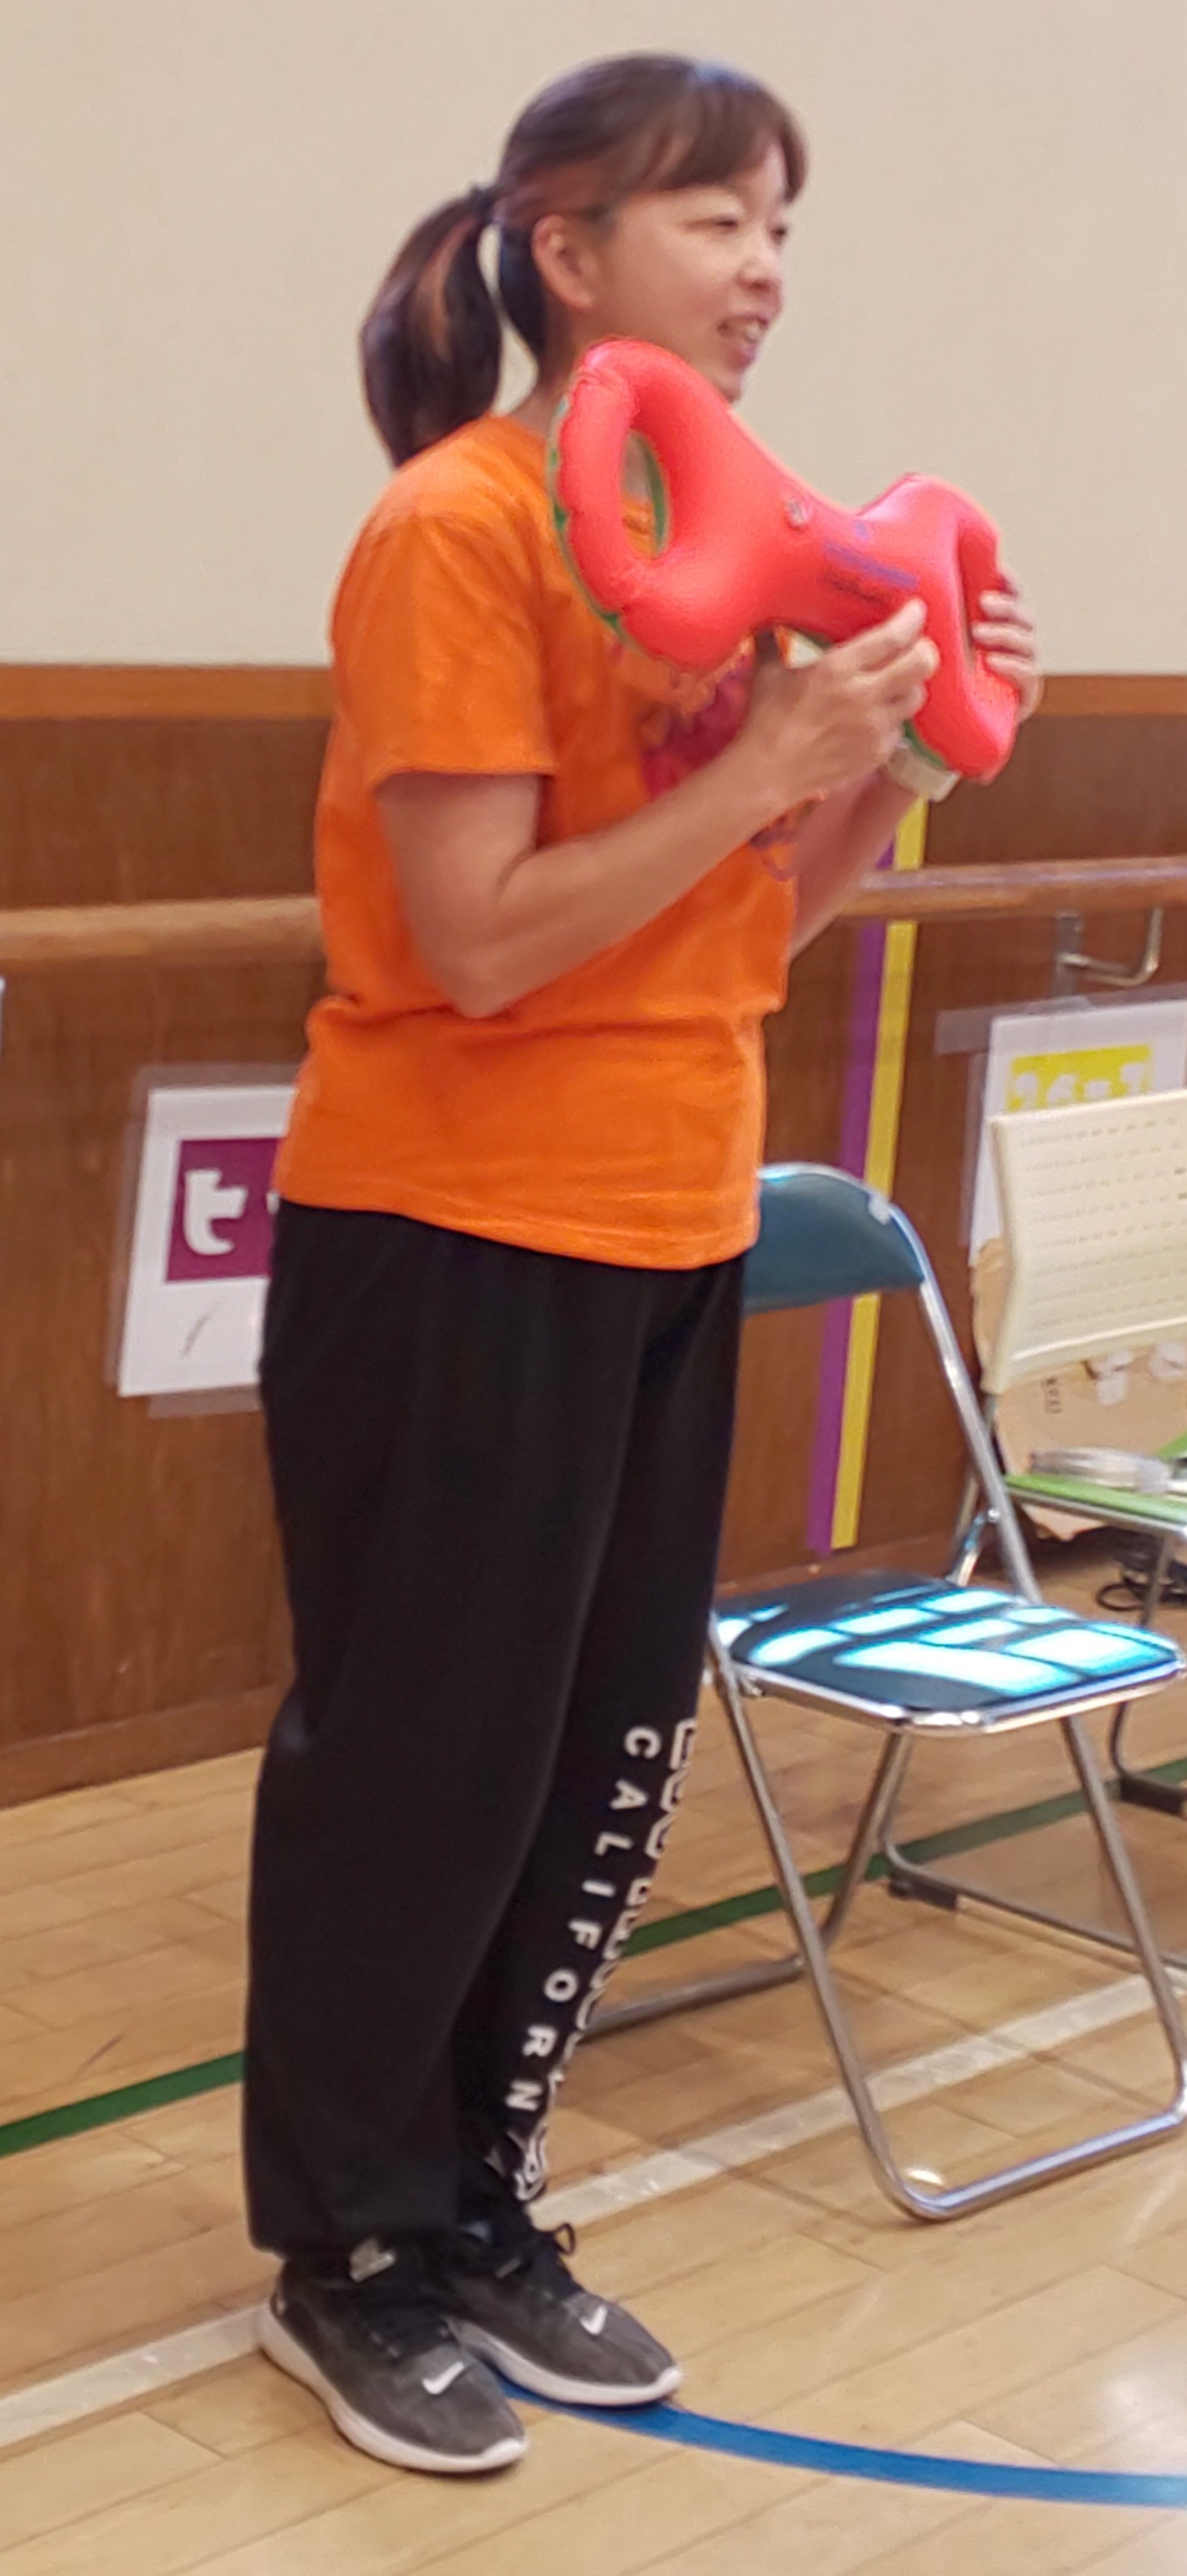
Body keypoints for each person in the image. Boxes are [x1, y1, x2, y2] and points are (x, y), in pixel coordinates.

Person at [245, 51, 1043, 2479]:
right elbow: (479, 941)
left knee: (597, 1755)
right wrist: (767, 755)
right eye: (714, 217)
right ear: (563, 250)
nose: (763, 267)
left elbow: (744, 936)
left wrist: (891, 756)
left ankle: (475, 2198)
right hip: (445, 1226)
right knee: (423, 1762)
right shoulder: (462, 528)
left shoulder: (731, 562)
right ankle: (347, 2254)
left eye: (780, 222)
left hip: (670, 1213)